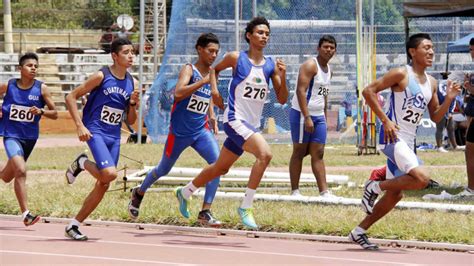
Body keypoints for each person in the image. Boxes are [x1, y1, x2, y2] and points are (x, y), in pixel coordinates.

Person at [349, 33, 461, 250]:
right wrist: (386, 120)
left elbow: (436, 117)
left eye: (432, 48)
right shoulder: (401, 73)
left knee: (395, 194)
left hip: (408, 141)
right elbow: (368, 91)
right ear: (413, 51)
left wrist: (449, 99)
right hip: (392, 136)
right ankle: (374, 186)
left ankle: (358, 231)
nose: (431, 52)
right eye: (426, 47)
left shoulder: (432, 82)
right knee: (421, 179)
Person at [174, 17, 288, 229]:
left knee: (220, 168)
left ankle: (185, 191)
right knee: (265, 154)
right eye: (260, 32)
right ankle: (246, 206)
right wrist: (215, 93)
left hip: (251, 124)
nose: (264, 36)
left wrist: (284, 75)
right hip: (235, 119)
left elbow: (282, 98)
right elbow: (214, 71)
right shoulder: (236, 58)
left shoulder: (271, 64)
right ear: (249, 35)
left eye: (267, 34)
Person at [128, 33, 223, 227]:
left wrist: (211, 114)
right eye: (210, 51)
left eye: (216, 52)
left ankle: (205, 211)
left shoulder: (213, 72)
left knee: (218, 165)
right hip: (179, 132)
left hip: (201, 131)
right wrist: (202, 82)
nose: (214, 55)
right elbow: (178, 94)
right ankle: (139, 192)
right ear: (199, 49)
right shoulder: (189, 69)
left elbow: (208, 95)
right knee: (164, 168)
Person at [64, 38, 140, 240]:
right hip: (95, 130)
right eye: (126, 52)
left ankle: (74, 224)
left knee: (104, 182)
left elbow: (130, 121)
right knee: (109, 174)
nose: (131, 56)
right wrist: (80, 125)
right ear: (115, 56)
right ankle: (81, 161)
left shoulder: (133, 82)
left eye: (132, 52)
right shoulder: (101, 75)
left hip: (114, 135)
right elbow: (71, 96)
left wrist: (132, 104)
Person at [0, 52, 58, 226]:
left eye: (35, 66)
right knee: (21, 170)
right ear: (20, 68)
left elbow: (55, 113)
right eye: (29, 65)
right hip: (11, 135)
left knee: (7, 176)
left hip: (30, 138)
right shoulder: (9, 85)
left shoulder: (41, 88)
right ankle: (26, 214)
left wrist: (41, 111)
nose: (33, 68)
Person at [288, 35, 337, 197]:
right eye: (325, 47)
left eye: (332, 47)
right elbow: (300, 91)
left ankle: (324, 192)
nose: (328, 50)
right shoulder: (310, 65)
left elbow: (324, 93)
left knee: (319, 152)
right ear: (318, 48)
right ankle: (295, 190)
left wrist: (324, 114)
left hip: (318, 115)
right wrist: (307, 116)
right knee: (299, 151)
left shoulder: (330, 70)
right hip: (302, 114)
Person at [435, 72, 464, 152]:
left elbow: (454, 99)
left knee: (450, 128)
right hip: (441, 107)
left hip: (448, 108)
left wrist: (450, 112)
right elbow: (443, 96)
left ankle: (455, 146)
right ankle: (439, 147)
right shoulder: (440, 84)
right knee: (440, 127)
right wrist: (446, 110)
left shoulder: (453, 85)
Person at [460, 37, 474, 197]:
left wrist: (469, 87)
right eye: (470, 49)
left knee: (470, 150)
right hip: (471, 110)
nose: (472, 53)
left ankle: (471, 188)